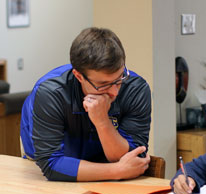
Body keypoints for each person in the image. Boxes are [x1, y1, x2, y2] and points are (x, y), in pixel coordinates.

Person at [21, 27, 151, 182]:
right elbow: (52, 164)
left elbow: (132, 157)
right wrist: (116, 171)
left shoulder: (136, 88)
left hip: (100, 162)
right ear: (78, 76)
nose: (114, 92)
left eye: (119, 79)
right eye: (103, 84)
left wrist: (102, 121)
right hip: (42, 167)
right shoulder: (50, 92)